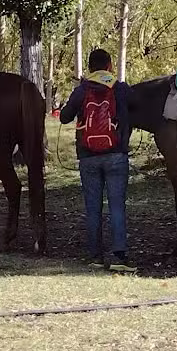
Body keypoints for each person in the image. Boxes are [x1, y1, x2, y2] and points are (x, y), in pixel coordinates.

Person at [60, 48, 135, 271]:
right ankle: (119, 258)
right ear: (110, 65)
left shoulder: (82, 89)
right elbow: (136, 106)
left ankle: (95, 257)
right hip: (116, 155)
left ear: (90, 67)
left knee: (93, 208)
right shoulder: (120, 88)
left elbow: (64, 117)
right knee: (117, 207)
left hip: (88, 156)